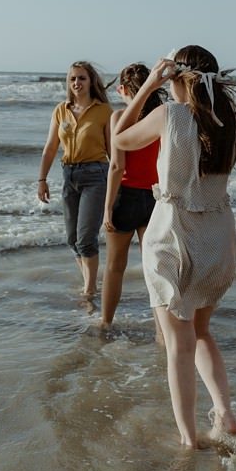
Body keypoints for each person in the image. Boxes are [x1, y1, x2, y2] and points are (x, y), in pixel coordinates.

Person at [114, 45, 236, 448]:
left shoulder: (168, 115)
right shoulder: (235, 122)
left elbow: (120, 139)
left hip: (171, 234)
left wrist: (148, 85)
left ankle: (189, 439)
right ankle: (224, 412)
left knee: (178, 344)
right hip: (218, 237)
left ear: (177, 79)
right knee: (202, 333)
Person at [37, 62, 113, 299]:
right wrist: (42, 179)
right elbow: (50, 148)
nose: (77, 83)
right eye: (72, 79)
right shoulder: (61, 110)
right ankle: (90, 284)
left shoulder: (104, 111)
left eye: (81, 78)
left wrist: (117, 185)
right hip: (68, 175)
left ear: (91, 81)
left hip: (96, 176)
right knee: (72, 239)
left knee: (86, 238)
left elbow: (113, 151)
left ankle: (89, 291)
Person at [101, 63, 166, 330]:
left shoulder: (119, 118)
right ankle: (162, 331)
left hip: (124, 197)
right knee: (154, 269)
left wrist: (106, 208)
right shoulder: (161, 117)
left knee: (115, 266)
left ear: (125, 89)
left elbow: (117, 166)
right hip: (154, 197)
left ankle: (105, 323)